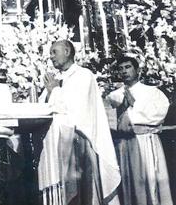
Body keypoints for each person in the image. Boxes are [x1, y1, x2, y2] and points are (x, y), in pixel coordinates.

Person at [38, 40, 120, 205]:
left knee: (80, 192)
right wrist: (50, 91)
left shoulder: (83, 75)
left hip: (78, 140)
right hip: (55, 141)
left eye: (55, 52)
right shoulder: (57, 78)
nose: (51, 56)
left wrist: (54, 90)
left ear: (67, 51)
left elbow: (76, 109)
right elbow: (45, 106)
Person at [107, 56, 173, 205]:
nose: (124, 71)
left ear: (137, 70)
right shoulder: (113, 95)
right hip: (123, 144)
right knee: (128, 184)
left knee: (147, 182)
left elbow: (158, 115)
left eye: (128, 67)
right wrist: (122, 109)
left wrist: (134, 106)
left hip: (144, 142)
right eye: (121, 68)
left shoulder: (152, 92)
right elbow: (109, 120)